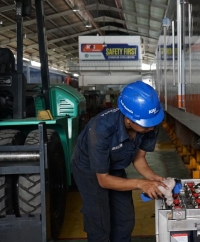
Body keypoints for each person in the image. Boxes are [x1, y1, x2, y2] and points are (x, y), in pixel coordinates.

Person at [71, 80, 168, 242]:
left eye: (152, 123)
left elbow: (139, 158)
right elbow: (103, 180)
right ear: (128, 119)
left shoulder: (149, 123)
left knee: (125, 220)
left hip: (115, 166)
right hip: (89, 170)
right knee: (100, 222)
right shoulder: (101, 129)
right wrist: (140, 183)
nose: (151, 128)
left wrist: (153, 178)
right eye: (146, 125)